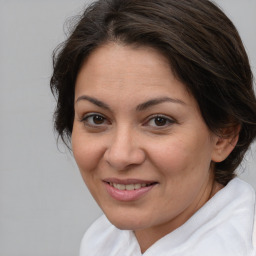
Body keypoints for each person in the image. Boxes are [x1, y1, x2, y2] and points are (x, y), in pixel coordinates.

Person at [50, 0, 256, 255]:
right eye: (97, 119)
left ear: (224, 134)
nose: (120, 156)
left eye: (159, 120)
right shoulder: (102, 240)